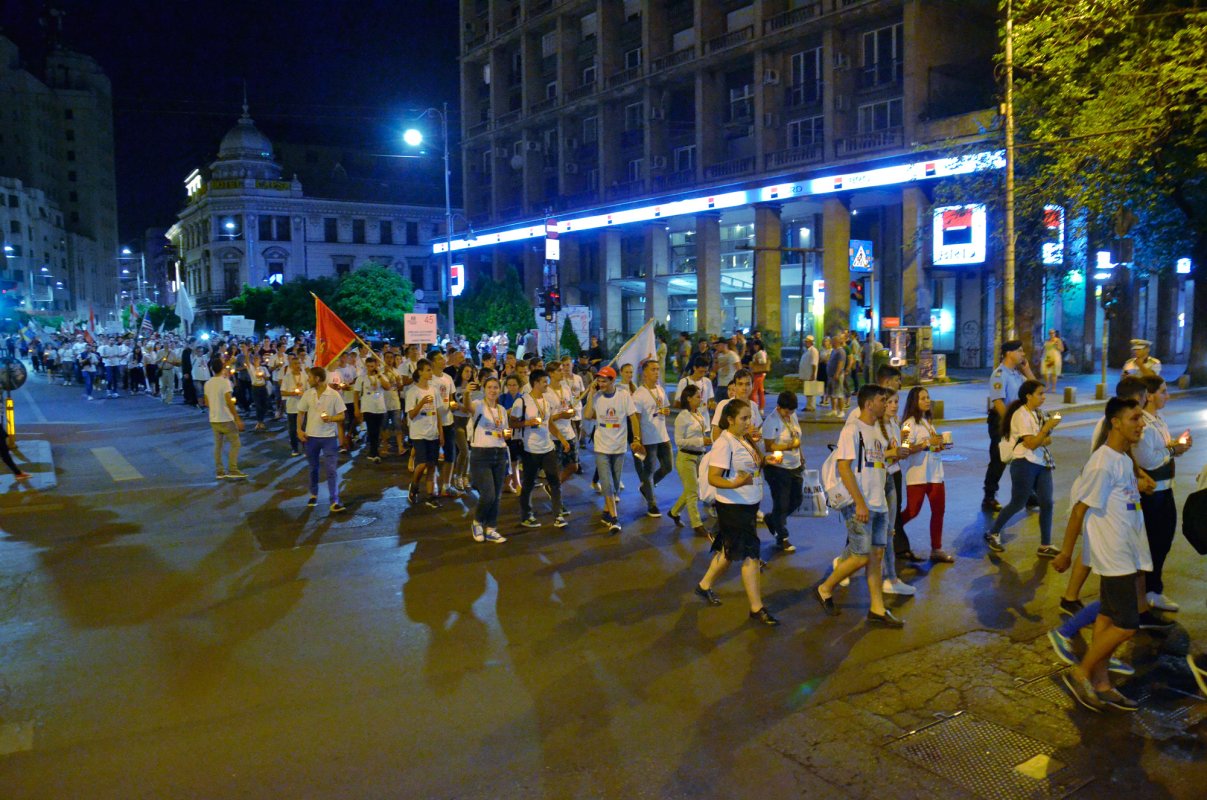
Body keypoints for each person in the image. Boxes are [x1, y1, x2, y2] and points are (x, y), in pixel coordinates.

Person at [1052, 397, 1149, 712]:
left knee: (1107, 618)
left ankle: (1102, 682)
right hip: (1114, 556)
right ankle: (1081, 673)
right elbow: (1079, 511)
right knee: (1127, 624)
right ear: (1115, 422)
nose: (1141, 424)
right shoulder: (1103, 462)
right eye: (1135, 418)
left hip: (1126, 553)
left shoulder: (1121, 459)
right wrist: (1066, 553)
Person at [813, 384, 903, 627]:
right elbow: (844, 466)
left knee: (876, 556)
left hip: (879, 502)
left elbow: (879, 461)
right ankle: (825, 588)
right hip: (859, 503)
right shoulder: (852, 430)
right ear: (869, 403)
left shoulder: (879, 430)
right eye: (883, 400)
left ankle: (877, 609)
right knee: (861, 556)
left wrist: (897, 453)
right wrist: (860, 503)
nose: (887, 404)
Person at [693, 398, 779, 626]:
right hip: (733, 507)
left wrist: (764, 461)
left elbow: (750, 465)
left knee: (728, 551)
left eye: (749, 417)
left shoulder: (744, 438)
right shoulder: (725, 443)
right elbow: (714, 477)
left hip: (748, 504)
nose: (748, 422)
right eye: (743, 418)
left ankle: (703, 586)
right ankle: (756, 608)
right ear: (729, 420)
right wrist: (735, 484)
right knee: (751, 555)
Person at [1134, 374, 1192, 612]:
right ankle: (1150, 592)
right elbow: (1145, 459)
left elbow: (1162, 451)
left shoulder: (1158, 420)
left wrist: (1178, 448)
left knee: (1163, 541)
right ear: (1150, 395)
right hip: (1152, 493)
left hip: (1165, 490)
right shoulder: (1143, 424)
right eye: (1163, 391)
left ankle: (1152, 589)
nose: (1168, 396)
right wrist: (1172, 450)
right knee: (1154, 543)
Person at [984, 379, 1059, 556]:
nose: (1043, 397)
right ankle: (993, 533)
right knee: (1018, 502)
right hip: (1024, 462)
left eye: (1043, 393)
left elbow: (1047, 439)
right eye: (1040, 394)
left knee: (1047, 502)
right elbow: (1032, 443)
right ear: (1028, 396)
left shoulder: (1037, 413)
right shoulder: (1020, 415)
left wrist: (1044, 433)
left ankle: (1045, 545)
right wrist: (1046, 429)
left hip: (1042, 463)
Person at [583, 366, 641, 534]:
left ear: (612, 381)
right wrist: (590, 395)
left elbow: (633, 419)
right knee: (606, 482)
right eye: (598, 380)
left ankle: (607, 512)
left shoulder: (623, 396)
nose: (600, 383)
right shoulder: (596, 396)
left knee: (615, 483)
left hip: (619, 445)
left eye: (603, 380)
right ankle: (615, 519)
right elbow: (587, 415)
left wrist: (636, 439)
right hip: (601, 446)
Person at [899, 387, 954, 563]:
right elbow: (904, 450)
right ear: (914, 402)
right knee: (912, 511)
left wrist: (940, 445)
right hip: (917, 476)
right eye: (922, 398)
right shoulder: (908, 424)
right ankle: (889, 532)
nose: (927, 401)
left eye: (928, 397)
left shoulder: (927, 422)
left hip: (936, 474)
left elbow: (930, 447)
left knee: (939, 511)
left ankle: (936, 549)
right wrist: (925, 444)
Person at [511, 368, 570, 529]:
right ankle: (526, 515)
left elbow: (549, 423)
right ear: (535, 383)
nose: (547, 384)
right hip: (530, 449)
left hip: (548, 447)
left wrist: (562, 439)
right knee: (529, 483)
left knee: (555, 481)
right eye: (544, 381)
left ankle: (557, 514)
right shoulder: (522, 402)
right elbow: (511, 423)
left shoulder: (547, 401)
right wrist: (526, 423)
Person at [982, 339, 1030, 512]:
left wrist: (1027, 369)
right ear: (1009, 353)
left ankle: (1028, 495)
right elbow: (999, 403)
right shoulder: (999, 374)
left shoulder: (1017, 374)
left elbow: (1037, 389)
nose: (1023, 354)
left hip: (1016, 422)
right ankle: (989, 497)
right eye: (1020, 350)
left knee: (1023, 458)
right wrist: (1010, 425)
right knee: (999, 458)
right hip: (1001, 422)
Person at [297, 366, 347, 513]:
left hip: (329, 438)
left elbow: (342, 416)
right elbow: (301, 413)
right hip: (311, 437)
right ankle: (313, 494)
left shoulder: (334, 395)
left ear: (317, 379)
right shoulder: (308, 394)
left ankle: (334, 500)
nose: (308, 379)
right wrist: (299, 430)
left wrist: (330, 418)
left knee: (331, 469)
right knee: (313, 468)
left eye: (310, 377)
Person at [466, 376, 510, 544]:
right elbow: (467, 407)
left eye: (496, 387)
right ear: (484, 389)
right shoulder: (479, 406)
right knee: (488, 494)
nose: (493, 390)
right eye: (489, 387)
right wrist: (467, 393)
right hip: (481, 454)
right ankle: (477, 522)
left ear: (500, 390)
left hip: (499, 453)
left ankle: (491, 528)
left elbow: (505, 431)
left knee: (497, 495)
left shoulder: (501, 410)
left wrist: (506, 434)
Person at [761, 391, 803, 553]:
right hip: (777, 469)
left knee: (797, 500)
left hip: (795, 465)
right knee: (781, 503)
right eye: (787, 411)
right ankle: (782, 537)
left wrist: (801, 456)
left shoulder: (793, 416)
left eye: (792, 411)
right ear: (779, 407)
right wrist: (789, 446)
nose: (790, 414)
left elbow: (797, 439)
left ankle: (772, 519)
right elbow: (769, 446)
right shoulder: (771, 421)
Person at [632, 359, 674, 518]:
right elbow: (635, 418)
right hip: (648, 438)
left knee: (668, 467)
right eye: (653, 369)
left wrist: (666, 411)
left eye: (658, 369)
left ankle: (645, 488)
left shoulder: (660, 389)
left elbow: (665, 407)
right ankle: (652, 504)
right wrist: (638, 439)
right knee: (648, 471)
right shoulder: (639, 394)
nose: (657, 372)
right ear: (645, 373)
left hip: (663, 436)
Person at [669, 384, 710, 538]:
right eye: (698, 396)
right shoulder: (683, 417)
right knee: (693, 492)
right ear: (689, 399)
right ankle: (697, 524)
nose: (701, 399)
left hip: (699, 457)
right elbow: (679, 441)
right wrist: (700, 441)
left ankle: (674, 512)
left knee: (691, 490)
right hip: (686, 458)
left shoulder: (699, 414)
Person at [203, 356, 245, 480]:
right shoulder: (224, 382)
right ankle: (232, 469)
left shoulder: (208, 383)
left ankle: (219, 470)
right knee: (235, 444)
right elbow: (228, 401)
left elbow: (206, 402)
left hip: (214, 418)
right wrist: (237, 418)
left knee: (218, 446)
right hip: (226, 418)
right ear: (222, 368)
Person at [354, 356, 388, 463]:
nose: (370, 368)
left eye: (372, 366)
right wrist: (356, 408)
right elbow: (356, 394)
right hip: (368, 407)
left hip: (380, 407)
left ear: (376, 366)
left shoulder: (381, 376)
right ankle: (374, 452)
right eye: (368, 366)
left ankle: (374, 451)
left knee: (377, 430)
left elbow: (387, 386)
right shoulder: (361, 378)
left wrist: (379, 375)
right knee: (371, 430)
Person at [281, 353, 307, 457]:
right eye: (295, 363)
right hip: (292, 407)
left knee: (304, 428)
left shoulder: (305, 376)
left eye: (298, 363)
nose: (297, 365)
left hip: (303, 407)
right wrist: (293, 393)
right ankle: (295, 448)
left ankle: (305, 448)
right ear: (291, 365)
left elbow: (309, 390)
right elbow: (282, 392)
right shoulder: (287, 377)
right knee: (292, 429)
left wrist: (303, 393)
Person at [825, 330, 848, 417]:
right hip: (831, 375)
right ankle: (834, 410)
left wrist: (837, 373)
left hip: (837, 375)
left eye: (832, 342)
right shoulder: (834, 351)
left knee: (839, 393)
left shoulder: (841, 351)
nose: (831, 343)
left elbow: (840, 363)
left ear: (836, 342)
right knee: (832, 393)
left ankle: (841, 411)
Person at [798, 335, 820, 412]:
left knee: (811, 391)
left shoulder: (813, 351)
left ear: (810, 342)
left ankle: (811, 406)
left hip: (810, 374)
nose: (805, 343)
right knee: (807, 391)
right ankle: (808, 405)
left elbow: (814, 363)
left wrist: (813, 374)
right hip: (806, 374)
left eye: (807, 341)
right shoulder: (807, 351)